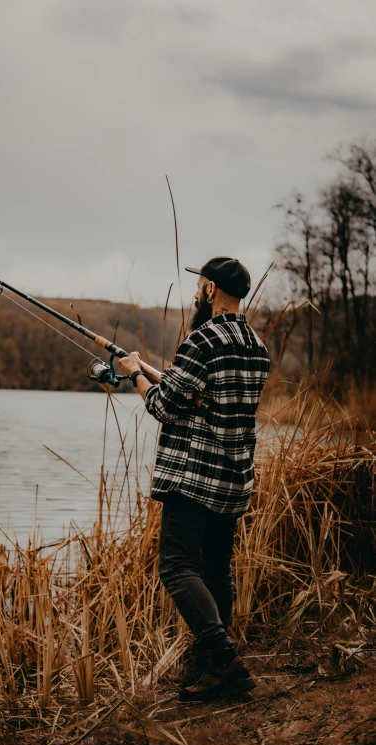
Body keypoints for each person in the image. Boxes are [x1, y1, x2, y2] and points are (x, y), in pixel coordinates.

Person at [118, 257, 270, 701]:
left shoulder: (201, 340)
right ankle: (211, 667)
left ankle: (222, 660)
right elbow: (205, 399)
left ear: (209, 289)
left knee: (177, 566)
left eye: (200, 283)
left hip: (193, 478)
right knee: (217, 570)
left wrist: (133, 376)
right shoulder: (256, 346)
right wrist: (152, 371)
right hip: (233, 477)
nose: (197, 290)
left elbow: (165, 407)